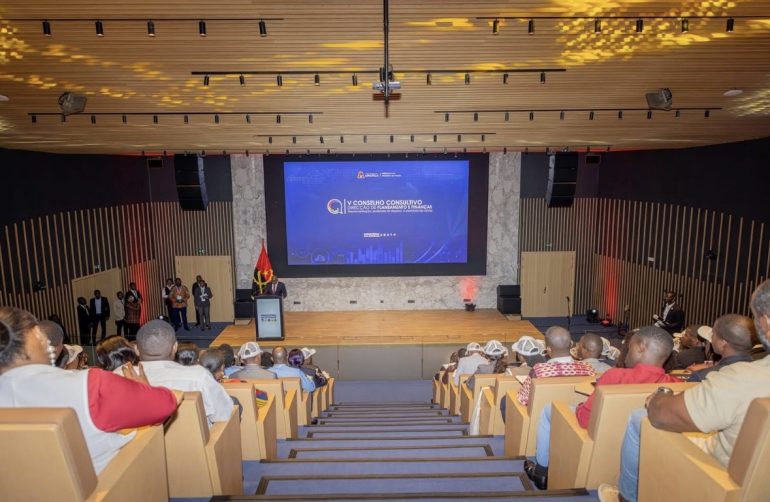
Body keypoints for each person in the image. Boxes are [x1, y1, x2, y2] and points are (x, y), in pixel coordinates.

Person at [598, 280, 770, 502]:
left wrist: (658, 397)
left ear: (766, 321)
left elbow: (662, 415)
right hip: (757, 482)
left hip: (718, 476)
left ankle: (626, 496)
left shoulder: (741, 378)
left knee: (638, 418)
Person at [0, 306, 177, 474]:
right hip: (107, 485)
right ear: (39, 336)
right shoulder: (92, 384)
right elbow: (165, 404)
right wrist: (142, 390)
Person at [527, 326, 679, 489]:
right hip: (639, 447)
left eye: (629, 347)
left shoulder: (615, 376)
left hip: (598, 439)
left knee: (549, 409)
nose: (626, 352)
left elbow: (585, 419)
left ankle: (541, 472)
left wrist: (581, 406)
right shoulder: (677, 385)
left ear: (640, 347)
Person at [124, 320, 233, 425]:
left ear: (136, 349)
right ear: (175, 347)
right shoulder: (199, 376)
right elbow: (225, 415)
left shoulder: (119, 375)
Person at [516, 327, 595, 406]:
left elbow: (522, 399)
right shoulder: (588, 368)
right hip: (575, 410)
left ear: (548, 349)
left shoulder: (539, 371)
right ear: (571, 344)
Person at [687, 315, 755, 382]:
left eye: (713, 333)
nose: (711, 337)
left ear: (723, 343)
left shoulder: (701, 377)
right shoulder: (759, 371)